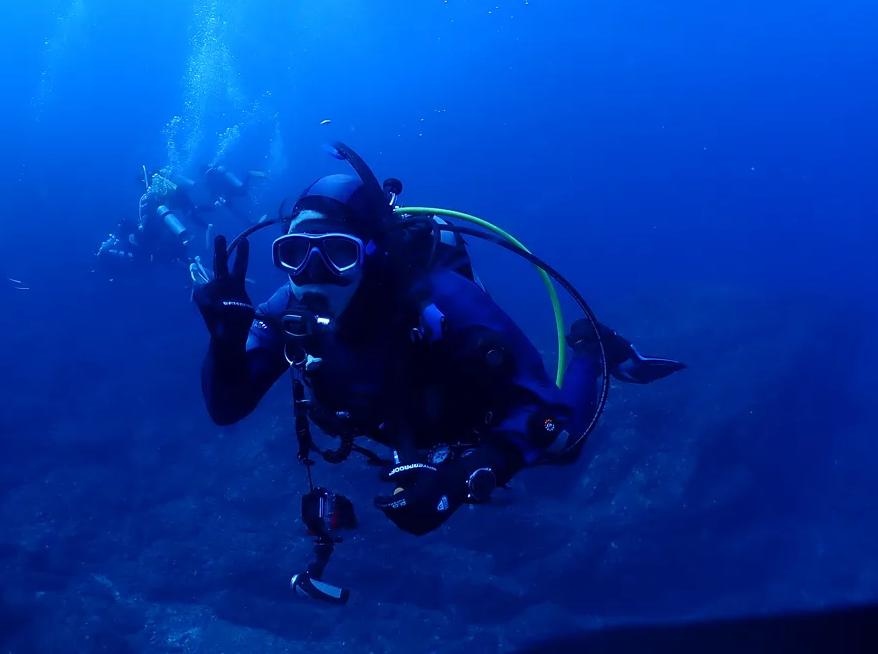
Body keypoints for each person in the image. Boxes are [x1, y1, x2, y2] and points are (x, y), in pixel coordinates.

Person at [192, 143, 686, 603]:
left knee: (563, 451)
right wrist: (224, 342)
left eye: (338, 254)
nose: (314, 275)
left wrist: (455, 483)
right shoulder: (284, 311)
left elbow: (545, 410)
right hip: (392, 421)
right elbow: (226, 405)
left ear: (373, 252)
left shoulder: (443, 297)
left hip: (462, 410)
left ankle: (591, 348)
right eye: (296, 255)